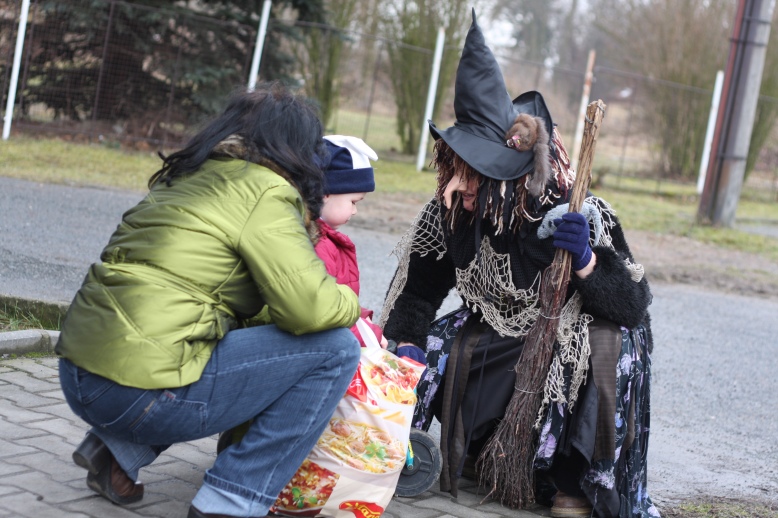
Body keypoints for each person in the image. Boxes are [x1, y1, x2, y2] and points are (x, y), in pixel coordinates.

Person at [378, 11, 659, 518]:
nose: (455, 186)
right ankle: (469, 451)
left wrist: (586, 261)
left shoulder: (574, 209)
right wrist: (408, 348)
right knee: (431, 345)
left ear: (504, 177)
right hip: (499, 335)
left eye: (471, 174)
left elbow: (634, 306)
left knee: (605, 344)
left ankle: (573, 480)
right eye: (452, 169)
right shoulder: (449, 212)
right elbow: (417, 295)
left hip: (567, 334)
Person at [55, 82, 362, 518]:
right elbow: (310, 309)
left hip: (79, 374)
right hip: (137, 393)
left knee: (204, 341)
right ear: (297, 150)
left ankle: (116, 452)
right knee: (335, 349)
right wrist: (350, 302)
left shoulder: (187, 175)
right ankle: (231, 502)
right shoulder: (266, 191)